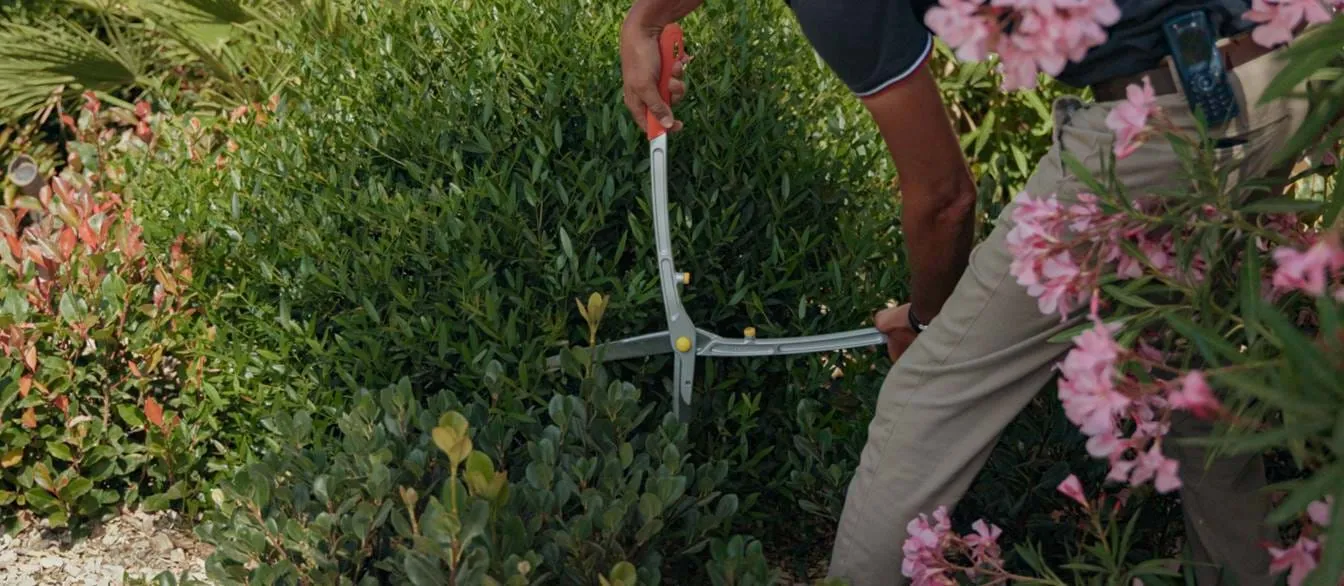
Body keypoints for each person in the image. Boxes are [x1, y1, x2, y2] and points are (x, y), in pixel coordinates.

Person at [618, 0, 1314, 584]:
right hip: (1293, 60)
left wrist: (926, 323)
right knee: (1187, 361)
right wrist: (646, 20)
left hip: (1160, 120)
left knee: (928, 398)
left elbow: (944, 197)